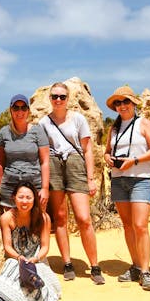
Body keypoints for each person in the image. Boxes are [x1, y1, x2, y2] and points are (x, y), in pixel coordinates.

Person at [38, 82, 104, 284]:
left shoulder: (78, 119)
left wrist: (91, 178)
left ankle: (94, 265)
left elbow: (87, 150)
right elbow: (42, 153)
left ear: (68, 99)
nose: (58, 100)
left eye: (62, 97)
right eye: (55, 96)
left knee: (84, 218)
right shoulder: (43, 123)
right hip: (55, 164)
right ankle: (67, 263)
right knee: (60, 217)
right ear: (50, 98)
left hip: (75, 163)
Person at [104, 86, 150, 291]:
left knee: (140, 225)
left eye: (125, 102)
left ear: (133, 103)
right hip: (119, 180)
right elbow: (107, 151)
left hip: (141, 179)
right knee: (128, 226)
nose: (122, 106)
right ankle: (136, 265)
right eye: (118, 103)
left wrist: (134, 160)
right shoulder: (115, 127)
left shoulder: (144, 123)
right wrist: (108, 158)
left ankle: (146, 271)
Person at [0, 182, 61, 301]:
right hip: (15, 259)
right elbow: (7, 246)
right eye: (21, 197)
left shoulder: (44, 218)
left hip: (37, 259)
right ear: (14, 198)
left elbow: (45, 246)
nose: (25, 201)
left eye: (29, 197)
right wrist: (19, 258)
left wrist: (35, 259)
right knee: (11, 273)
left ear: (34, 199)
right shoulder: (7, 218)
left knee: (40, 280)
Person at [0, 94, 49, 212]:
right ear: (11, 110)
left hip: (34, 183)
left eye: (23, 108)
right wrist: (1, 186)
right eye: (16, 107)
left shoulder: (38, 132)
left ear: (28, 111)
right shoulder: (3, 133)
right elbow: (1, 163)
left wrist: (45, 188)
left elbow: (45, 162)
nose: (19, 111)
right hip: (10, 184)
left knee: (38, 221)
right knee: (11, 222)